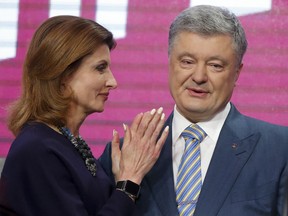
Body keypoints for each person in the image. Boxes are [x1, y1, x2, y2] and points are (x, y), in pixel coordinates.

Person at [99, 5, 288, 216]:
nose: (199, 76)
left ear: (236, 73)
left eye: (215, 65)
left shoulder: (280, 150)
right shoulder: (123, 155)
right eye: (187, 62)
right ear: (170, 63)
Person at [0, 15, 169, 216]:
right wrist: (129, 182)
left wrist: (119, 181)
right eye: (100, 68)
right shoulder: (37, 150)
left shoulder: (66, 143)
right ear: (62, 75)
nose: (112, 81)